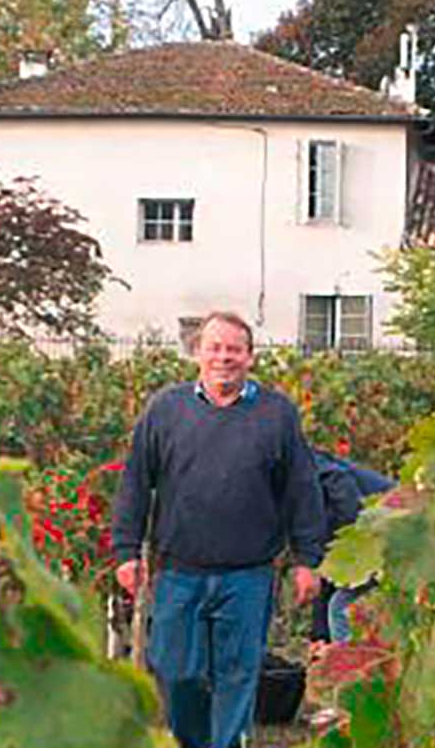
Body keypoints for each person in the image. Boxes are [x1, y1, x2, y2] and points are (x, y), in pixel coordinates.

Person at [112, 311, 326, 748]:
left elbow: (302, 490)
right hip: (179, 571)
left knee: (237, 674)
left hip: (248, 574)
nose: (223, 358)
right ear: (197, 353)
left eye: (233, 349)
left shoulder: (276, 414)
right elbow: (135, 481)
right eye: (215, 348)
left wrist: (308, 560)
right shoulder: (166, 410)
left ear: (250, 357)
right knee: (176, 672)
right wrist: (126, 551)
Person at [311, 448, 393, 645]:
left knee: (341, 609)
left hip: (392, 528)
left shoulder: (301, 463)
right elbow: (331, 573)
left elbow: (341, 483)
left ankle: (351, 671)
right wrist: (319, 637)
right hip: (380, 530)